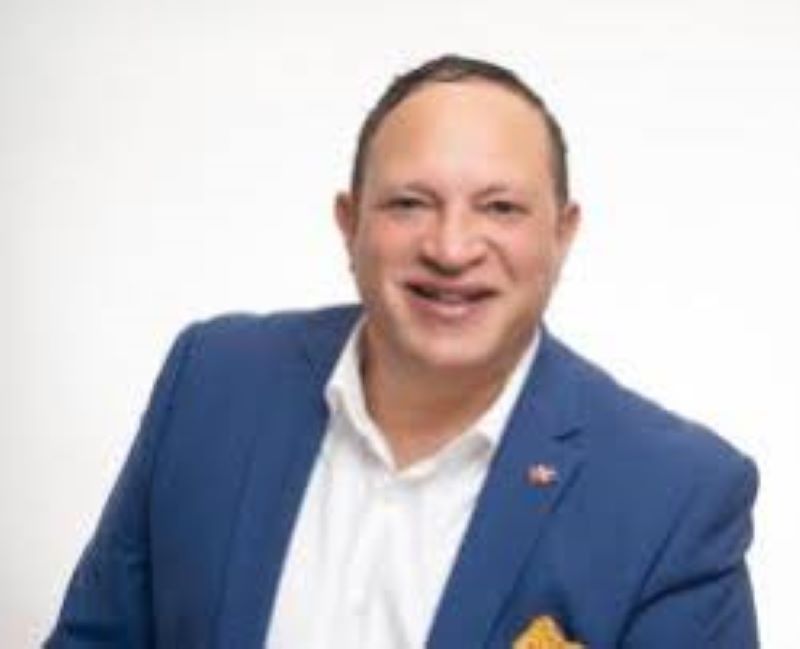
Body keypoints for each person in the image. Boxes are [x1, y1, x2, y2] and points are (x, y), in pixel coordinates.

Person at [46, 55, 759, 648]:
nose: (451, 247)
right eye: (410, 203)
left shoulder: (675, 495)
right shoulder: (211, 382)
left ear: (562, 234)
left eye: (501, 207)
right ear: (349, 223)